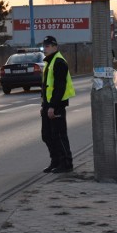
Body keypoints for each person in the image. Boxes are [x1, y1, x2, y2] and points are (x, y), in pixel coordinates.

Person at [40, 35, 76, 174]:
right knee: (47, 135)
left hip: (57, 105)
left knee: (59, 135)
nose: (45, 48)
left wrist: (53, 106)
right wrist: (44, 106)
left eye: (48, 46)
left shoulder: (59, 62)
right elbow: (46, 87)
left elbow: (60, 87)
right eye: (44, 46)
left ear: (55, 47)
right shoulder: (49, 62)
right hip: (48, 105)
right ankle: (55, 161)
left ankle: (66, 163)